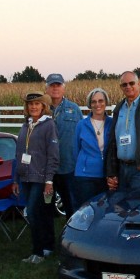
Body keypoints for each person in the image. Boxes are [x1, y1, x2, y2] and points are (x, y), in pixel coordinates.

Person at [13, 92, 59, 264]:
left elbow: (53, 155)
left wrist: (49, 180)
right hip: (26, 177)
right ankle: (47, 246)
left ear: (43, 106)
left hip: (40, 178)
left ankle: (38, 252)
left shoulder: (49, 125)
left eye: (37, 104)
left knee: (33, 213)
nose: (33, 107)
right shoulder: (26, 125)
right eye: (30, 104)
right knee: (40, 213)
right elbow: (18, 154)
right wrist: (15, 179)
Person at [45, 73, 81, 219]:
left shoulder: (74, 109)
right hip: (46, 169)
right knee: (46, 205)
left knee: (71, 206)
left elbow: (81, 136)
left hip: (68, 167)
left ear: (63, 88)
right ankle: (47, 233)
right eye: (52, 85)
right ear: (46, 88)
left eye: (58, 85)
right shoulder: (41, 110)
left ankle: (72, 232)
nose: (55, 88)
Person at [72, 87, 113, 207]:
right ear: (90, 104)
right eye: (94, 102)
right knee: (86, 209)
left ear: (106, 102)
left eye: (101, 101)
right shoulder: (81, 125)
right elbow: (75, 149)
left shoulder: (112, 123)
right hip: (85, 176)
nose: (97, 104)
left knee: (104, 209)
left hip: (106, 175)